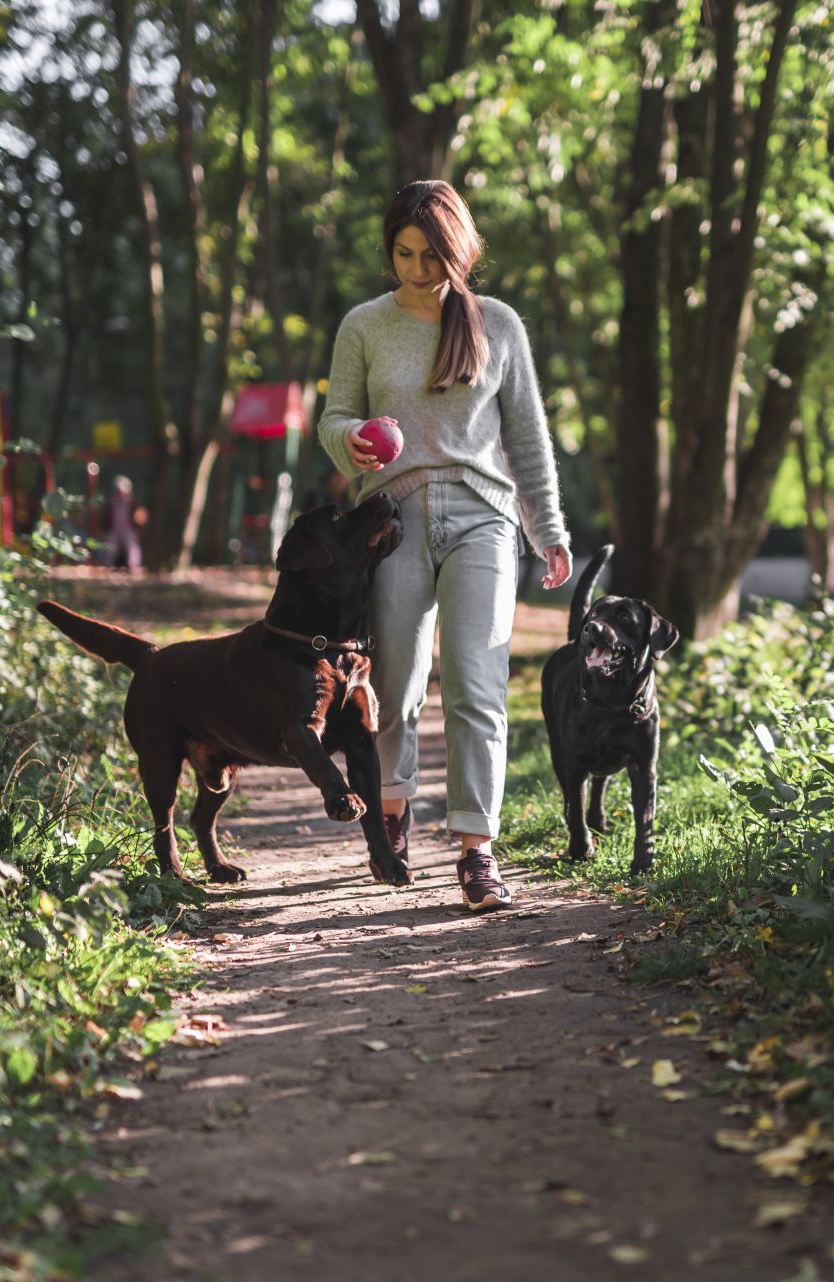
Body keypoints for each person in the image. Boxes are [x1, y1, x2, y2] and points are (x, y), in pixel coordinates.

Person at [317, 179, 572, 911]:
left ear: (459, 251)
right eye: (403, 254)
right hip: (390, 518)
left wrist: (547, 528)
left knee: (477, 682)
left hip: (484, 520)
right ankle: (393, 815)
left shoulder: (498, 325)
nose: (417, 269)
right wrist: (352, 444)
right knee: (396, 686)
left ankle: (476, 851)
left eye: (432, 256)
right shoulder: (364, 325)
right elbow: (335, 419)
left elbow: (527, 438)